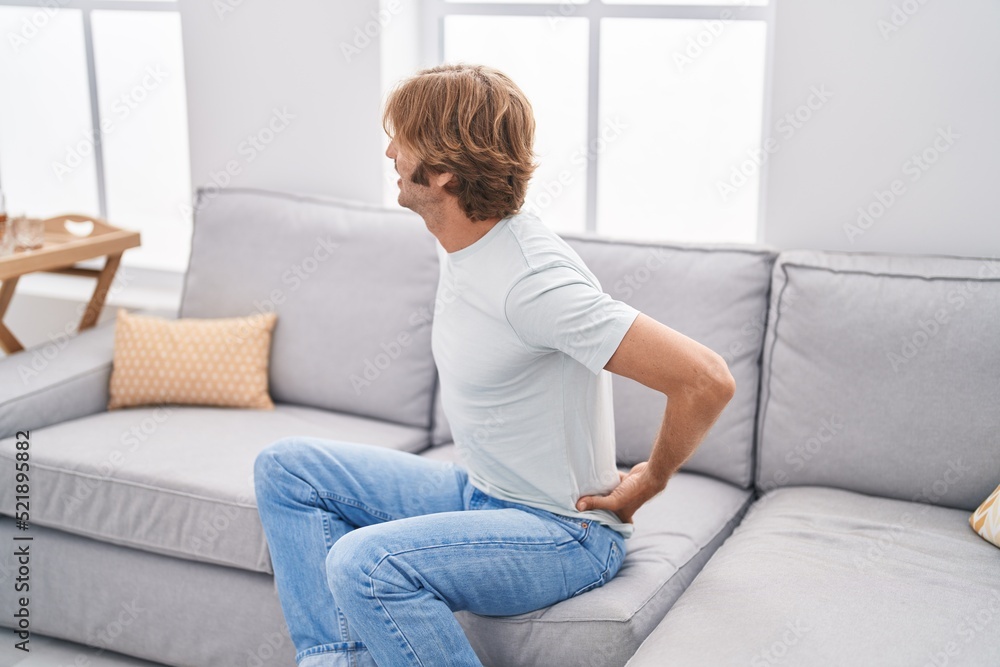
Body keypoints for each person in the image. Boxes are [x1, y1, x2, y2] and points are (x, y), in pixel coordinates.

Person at [254, 63, 736, 667]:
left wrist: (651, 479)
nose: (389, 152)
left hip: (563, 533)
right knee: (286, 469)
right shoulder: (465, 239)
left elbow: (705, 379)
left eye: (400, 139)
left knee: (366, 564)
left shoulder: (533, 282)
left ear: (444, 171)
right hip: (479, 491)